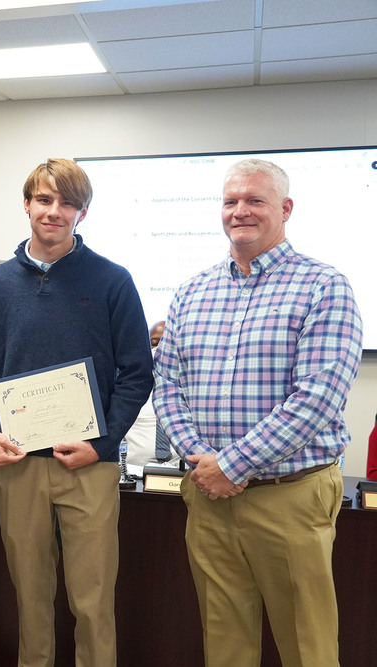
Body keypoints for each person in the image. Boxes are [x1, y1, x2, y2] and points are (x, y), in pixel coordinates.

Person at [153, 158, 363, 666]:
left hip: (289, 497)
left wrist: (233, 465)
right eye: (230, 202)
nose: (239, 211)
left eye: (254, 201)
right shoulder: (191, 292)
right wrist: (205, 461)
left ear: (285, 209)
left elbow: (317, 397)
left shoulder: (324, 287)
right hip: (208, 498)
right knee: (224, 646)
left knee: (307, 646)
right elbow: (168, 386)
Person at [0, 158, 152, 666]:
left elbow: (138, 373)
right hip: (19, 463)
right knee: (29, 598)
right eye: (44, 199)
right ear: (27, 204)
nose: (54, 211)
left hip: (89, 465)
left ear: (82, 211)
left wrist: (103, 443)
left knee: (92, 602)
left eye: (66, 202)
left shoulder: (113, 281)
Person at [125, 320, 177, 468]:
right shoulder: (130, 389)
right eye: (155, 343)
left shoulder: (191, 389)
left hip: (180, 471)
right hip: (134, 470)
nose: (159, 350)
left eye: (166, 343)